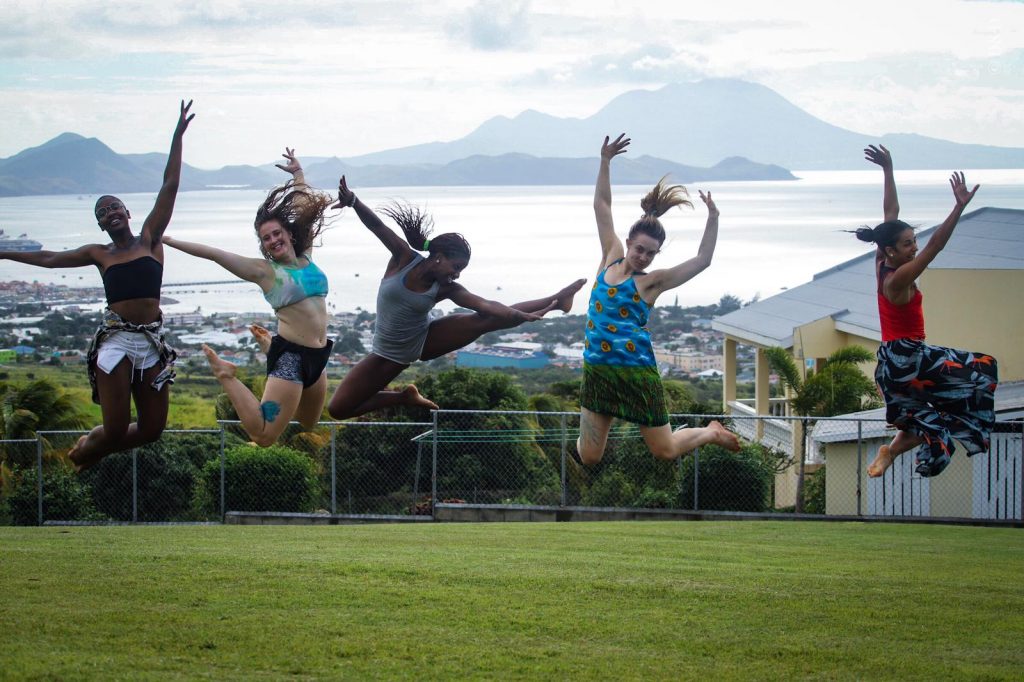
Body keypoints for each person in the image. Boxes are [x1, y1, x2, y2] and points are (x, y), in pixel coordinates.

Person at [0, 100, 194, 471]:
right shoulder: (99, 253)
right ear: (102, 226)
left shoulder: (151, 240)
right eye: (103, 213)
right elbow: (48, 259)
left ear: (128, 213)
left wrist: (177, 136)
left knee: (153, 429)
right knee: (117, 427)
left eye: (115, 206)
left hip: (151, 342)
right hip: (117, 340)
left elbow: (170, 184)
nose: (110, 212)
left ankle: (92, 445)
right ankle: (91, 446)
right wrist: (4, 254)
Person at [326, 177, 585, 419]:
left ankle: (558, 299)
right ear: (438, 257)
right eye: (456, 267)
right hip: (385, 354)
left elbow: (487, 305)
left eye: (460, 270)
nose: (457, 275)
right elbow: (377, 226)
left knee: (486, 320)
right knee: (338, 409)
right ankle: (404, 396)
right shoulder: (403, 258)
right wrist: (353, 201)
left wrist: (520, 316)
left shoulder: (446, 288)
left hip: (424, 340)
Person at [576, 134, 740, 465]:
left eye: (651, 253)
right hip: (598, 371)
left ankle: (710, 431)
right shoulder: (610, 255)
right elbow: (602, 206)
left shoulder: (652, 282)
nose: (643, 257)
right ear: (628, 242)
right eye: (639, 249)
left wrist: (714, 218)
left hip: (637, 374)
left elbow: (702, 260)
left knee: (664, 451)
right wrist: (605, 161)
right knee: (590, 457)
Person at [162, 149, 335, 446]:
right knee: (264, 435)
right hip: (291, 359)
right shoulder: (265, 272)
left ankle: (268, 347)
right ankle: (226, 374)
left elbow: (305, 205)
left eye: (276, 233)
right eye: (266, 238)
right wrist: (168, 240)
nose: (273, 240)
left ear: (289, 234)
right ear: (265, 247)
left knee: (309, 422)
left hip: (318, 357)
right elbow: (216, 254)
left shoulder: (307, 258)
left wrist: (298, 175)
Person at [858, 144, 997, 478]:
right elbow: (936, 246)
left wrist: (888, 170)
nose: (915, 246)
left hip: (894, 361)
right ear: (891, 250)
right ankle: (928, 445)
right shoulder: (899, 279)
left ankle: (890, 451)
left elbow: (890, 210)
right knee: (982, 370)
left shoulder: (881, 261)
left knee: (923, 417)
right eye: (908, 244)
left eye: (913, 240)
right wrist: (958, 207)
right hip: (909, 357)